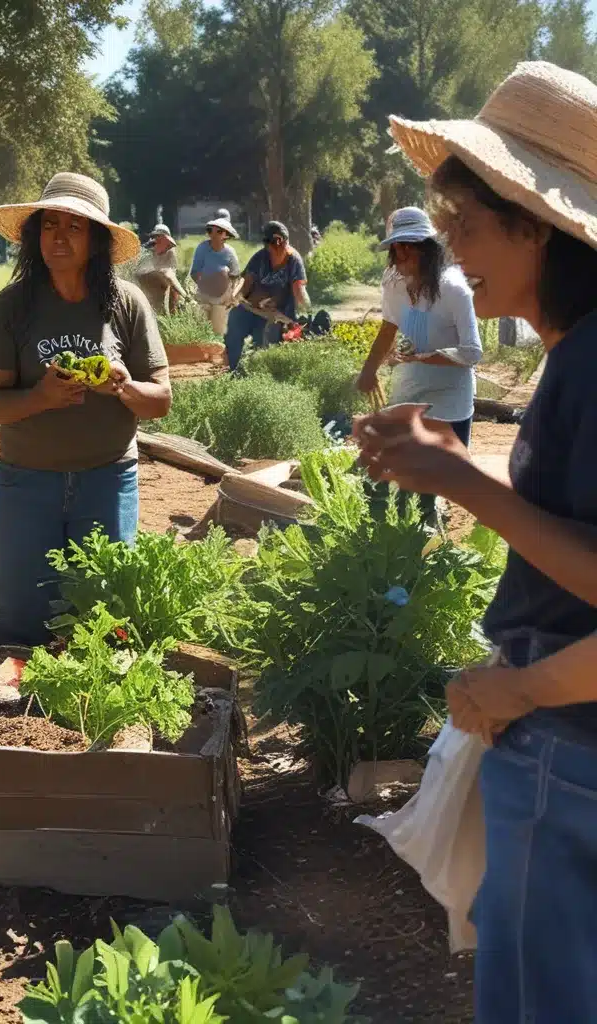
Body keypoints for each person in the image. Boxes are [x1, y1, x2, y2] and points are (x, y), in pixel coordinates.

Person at [353, 62, 597, 1023]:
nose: (450, 252)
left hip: (571, 735)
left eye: (463, 225)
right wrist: (460, 460)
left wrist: (518, 690)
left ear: (534, 223)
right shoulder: (574, 353)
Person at [0, 172, 171, 651]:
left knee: (102, 616)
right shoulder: (11, 308)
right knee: (17, 619)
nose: (58, 237)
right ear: (34, 234)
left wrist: (122, 386)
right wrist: (39, 397)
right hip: (26, 482)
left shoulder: (125, 303)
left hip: (106, 480)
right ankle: (8, 713)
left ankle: (88, 718)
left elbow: (161, 400)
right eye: (49, 225)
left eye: (74, 227)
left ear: (97, 241)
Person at [355, 206, 482, 521]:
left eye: (408, 245)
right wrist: (369, 370)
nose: (400, 253)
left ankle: (429, 545)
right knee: (401, 484)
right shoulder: (393, 282)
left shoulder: (454, 288)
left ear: (428, 247)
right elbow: (388, 326)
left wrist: (426, 357)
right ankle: (399, 544)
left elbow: (472, 352)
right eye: (396, 247)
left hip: (450, 397)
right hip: (409, 391)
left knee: (434, 484)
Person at [224, 221, 309, 371]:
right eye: (273, 245)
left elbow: (299, 291)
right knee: (235, 322)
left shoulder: (294, 260)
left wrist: (306, 312)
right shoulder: (260, 258)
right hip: (254, 308)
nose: (277, 248)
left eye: (281, 243)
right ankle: (233, 368)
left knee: (265, 337)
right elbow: (245, 282)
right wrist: (234, 297)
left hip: (280, 313)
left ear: (285, 242)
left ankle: (262, 372)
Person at [189, 209, 241, 335]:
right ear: (210, 232)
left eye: (223, 232)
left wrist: (231, 295)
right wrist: (207, 284)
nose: (220, 235)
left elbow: (235, 276)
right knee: (201, 332)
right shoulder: (202, 248)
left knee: (218, 333)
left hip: (222, 299)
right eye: (217, 231)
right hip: (204, 295)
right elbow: (194, 272)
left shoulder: (230, 252)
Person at [133, 224, 185, 314]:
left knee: (168, 274)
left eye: (161, 236)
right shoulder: (150, 247)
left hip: (167, 278)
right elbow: (139, 265)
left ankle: (185, 298)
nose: (158, 238)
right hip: (154, 279)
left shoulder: (171, 250)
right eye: (156, 236)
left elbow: (170, 271)